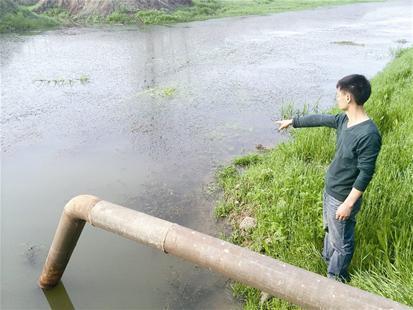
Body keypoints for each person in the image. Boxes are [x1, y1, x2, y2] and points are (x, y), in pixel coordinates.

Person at [275, 74, 381, 282]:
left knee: (342, 243)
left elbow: (366, 173)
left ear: (348, 97)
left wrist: (348, 204)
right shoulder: (344, 120)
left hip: (343, 196)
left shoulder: (369, 134)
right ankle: (326, 260)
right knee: (329, 230)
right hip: (330, 189)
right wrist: (293, 121)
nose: (336, 98)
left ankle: (335, 281)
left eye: (338, 94)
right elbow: (322, 119)